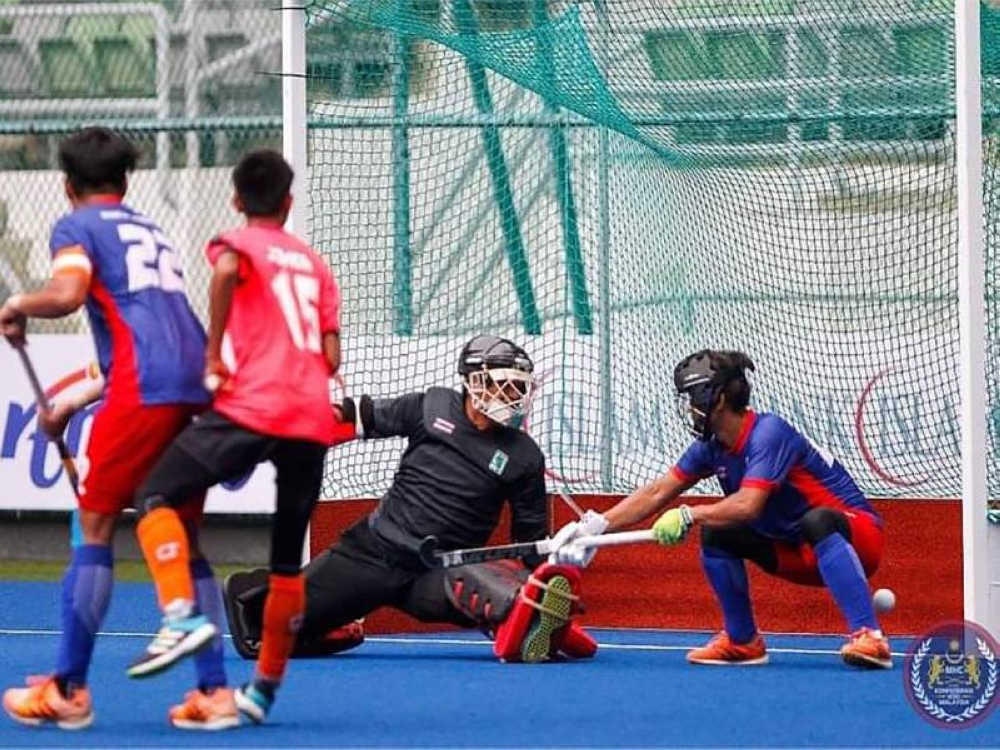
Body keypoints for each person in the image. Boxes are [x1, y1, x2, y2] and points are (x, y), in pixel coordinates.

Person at [0, 127, 220, 730]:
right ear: (125, 183)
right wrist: (70, 405)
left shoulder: (77, 227)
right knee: (184, 538)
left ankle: (67, 689)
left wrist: (17, 305)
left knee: (93, 525)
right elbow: (153, 328)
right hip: (193, 383)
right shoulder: (149, 229)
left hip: (143, 387)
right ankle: (215, 693)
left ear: (66, 187)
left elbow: (68, 294)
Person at [125, 148, 351, 727]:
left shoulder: (239, 244)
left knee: (155, 495)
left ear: (235, 200)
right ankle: (262, 693)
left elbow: (225, 274)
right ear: (289, 202)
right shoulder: (315, 264)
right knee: (284, 562)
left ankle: (179, 613)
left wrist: (213, 354)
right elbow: (330, 353)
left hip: (257, 402)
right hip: (309, 415)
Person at [223, 335, 597, 666]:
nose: (514, 398)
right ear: (474, 381)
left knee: (499, 592)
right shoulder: (430, 407)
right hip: (372, 553)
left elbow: (529, 541)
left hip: (441, 569)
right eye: (506, 387)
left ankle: (526, 615)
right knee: (264, 629)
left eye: (520, 389)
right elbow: (357, 418)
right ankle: (278, 600)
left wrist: (554, 566)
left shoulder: (525, 457)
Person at [553, 349, 891, 669]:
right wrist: (594, 527)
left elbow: (747, 505)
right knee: (718, 531)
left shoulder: (768, 433)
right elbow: (658, 492)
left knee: (815, 519)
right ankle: (743, 641)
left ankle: (870, 637)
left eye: (691, 399)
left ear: (716, 398)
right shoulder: (711, 447)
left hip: (855, 542)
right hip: (793, 550)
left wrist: (690, 514)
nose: (688, 409)